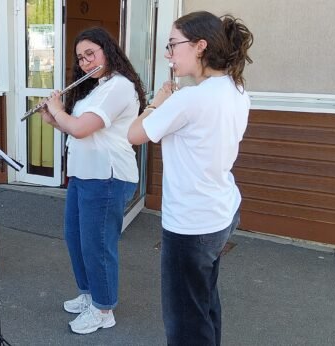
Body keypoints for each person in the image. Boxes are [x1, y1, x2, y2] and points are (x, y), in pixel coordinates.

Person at [127, 11, 254, 345]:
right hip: (221, 212)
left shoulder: (189, 98)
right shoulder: (237, 90)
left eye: (172, 45)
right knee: (206, 303)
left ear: (200, 46)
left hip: (191, 223)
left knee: (186, 321)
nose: (169, 54)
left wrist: (155, 103)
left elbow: (135, 134)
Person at [38, 27, 146, 334]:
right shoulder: (98, 86)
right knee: (76, 238)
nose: (85, 62)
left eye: (90, 54)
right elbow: (74, 127)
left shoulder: (120, 86)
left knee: (97, 244)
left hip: (107, 176)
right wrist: (53, 118)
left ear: (107, 51)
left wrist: (59, 110)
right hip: (84, 173)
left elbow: (82, 128)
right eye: (80, 58)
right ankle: (89, 293)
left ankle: (103, 308)